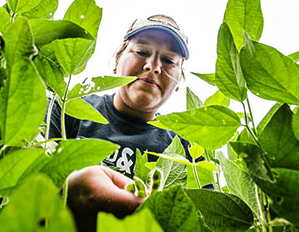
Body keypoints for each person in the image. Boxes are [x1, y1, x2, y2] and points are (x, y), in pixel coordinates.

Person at [47, 15, 191, 231]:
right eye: (142, 52)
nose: (153, 66)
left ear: (179, 82)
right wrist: (67, 190)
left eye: (169, 60)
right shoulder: (66, 110)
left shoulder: (185, 150)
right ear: (116, 63)